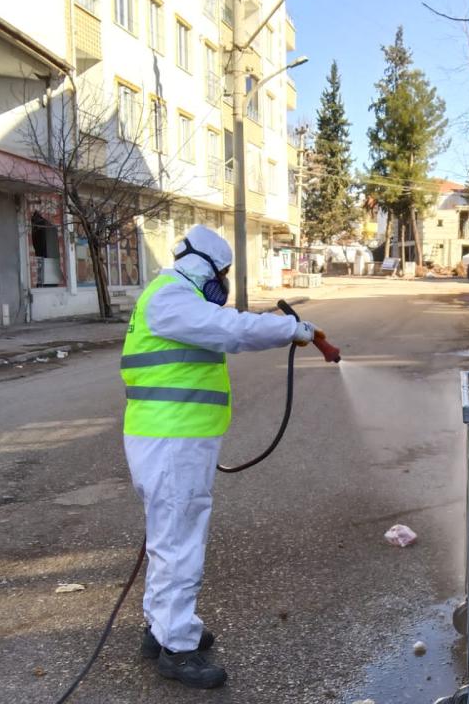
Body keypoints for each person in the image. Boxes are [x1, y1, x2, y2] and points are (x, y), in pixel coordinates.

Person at [121, 224, 319, 689]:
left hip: (171, 438)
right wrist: (290, 328)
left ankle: (161, 627)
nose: (224, 282)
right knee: (180, 543)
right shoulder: (171, 298)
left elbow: (223, 326)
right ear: (205, 266)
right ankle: (177, 647)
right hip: (171, 440)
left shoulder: (171, 297)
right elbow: (230, 329)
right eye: (223, 272)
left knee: (168, 538)